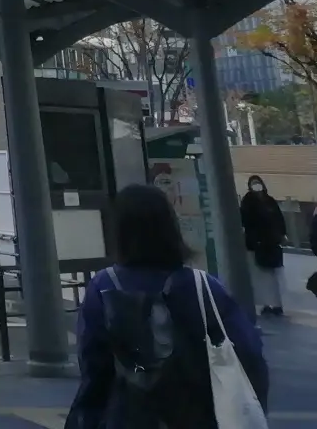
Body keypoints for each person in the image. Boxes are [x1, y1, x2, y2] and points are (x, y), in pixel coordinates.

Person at [66, 183, 267, 429]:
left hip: (128, 417)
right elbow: (248, 352)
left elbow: (93, 368)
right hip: (201, 415)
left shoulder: (104, 286)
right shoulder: (204, 285)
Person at [239, 175, 287, 316]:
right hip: (261, 244)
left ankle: (275, 304)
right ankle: (270, 304)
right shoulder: (256, 202)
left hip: (267, 243)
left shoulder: (264, 201)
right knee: (265, 276)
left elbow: (279, 219)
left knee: (271, 275)